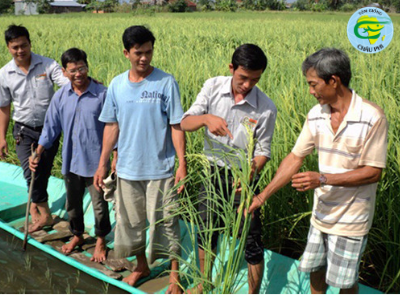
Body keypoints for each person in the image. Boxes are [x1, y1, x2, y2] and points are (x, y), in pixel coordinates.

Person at [248, 48, 388, 294]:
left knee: (345, 282)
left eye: (313, 84)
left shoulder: (371, 116)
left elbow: (373, 172)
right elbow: (295, 157)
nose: (310, 91)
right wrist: (262, 196)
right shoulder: (316, 115)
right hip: (321, 214)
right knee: (316, 270)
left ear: (334, 80)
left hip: (351, 220)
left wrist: (323, 178)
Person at [93, 25, 186, 293]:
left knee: (167, 222)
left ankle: (174, 274)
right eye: (138, 53)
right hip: (128, 169)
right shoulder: (117, 85)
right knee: (131, 223)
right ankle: (141, 266)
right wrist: (102, 164)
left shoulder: (166, 82)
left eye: (148, 52)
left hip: (162, 167)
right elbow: (111, 126)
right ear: (126, 53)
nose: (144, 58)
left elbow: (176, 125)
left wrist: (182, 163)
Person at [180, 44, 277, 294]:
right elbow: (185, 122)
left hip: (243, 179)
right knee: (205, 230)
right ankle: (204, 283)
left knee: (251, 239)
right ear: (231, 68)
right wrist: (205, 119)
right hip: (212, 173)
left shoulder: (265, 107)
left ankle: (252, 295)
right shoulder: (212, 87)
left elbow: (263, 150)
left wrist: (251, 171)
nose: (247, 85)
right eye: (243, 78)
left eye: (255, 79)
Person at [29, 48, 111, 262]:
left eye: (82, 68)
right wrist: (37, 152)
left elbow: (114, 128)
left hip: (97, 163)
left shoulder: (102, 94)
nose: (78, 74)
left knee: (100, 206)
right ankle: (77, 235)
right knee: (73, 205)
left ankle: (101, 240)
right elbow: (50, 128)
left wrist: (112, 158)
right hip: (71, 161)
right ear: (64, 72)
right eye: (73, 70)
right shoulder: (61, 96)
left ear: (87, 67)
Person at [0, 25, 69, 233]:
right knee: (31, 172)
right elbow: (4, 106)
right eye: (15, 47)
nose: (20, 51)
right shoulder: (5, 73)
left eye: (23, 45)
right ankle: (46, 216)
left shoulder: (47, 65)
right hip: (22, 130)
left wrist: (86, 82)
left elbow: (67, 84)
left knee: (43, 172)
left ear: (30, 43)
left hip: (48, 129)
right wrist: (1, 137)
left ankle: (34, 204)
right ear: (8, 48)